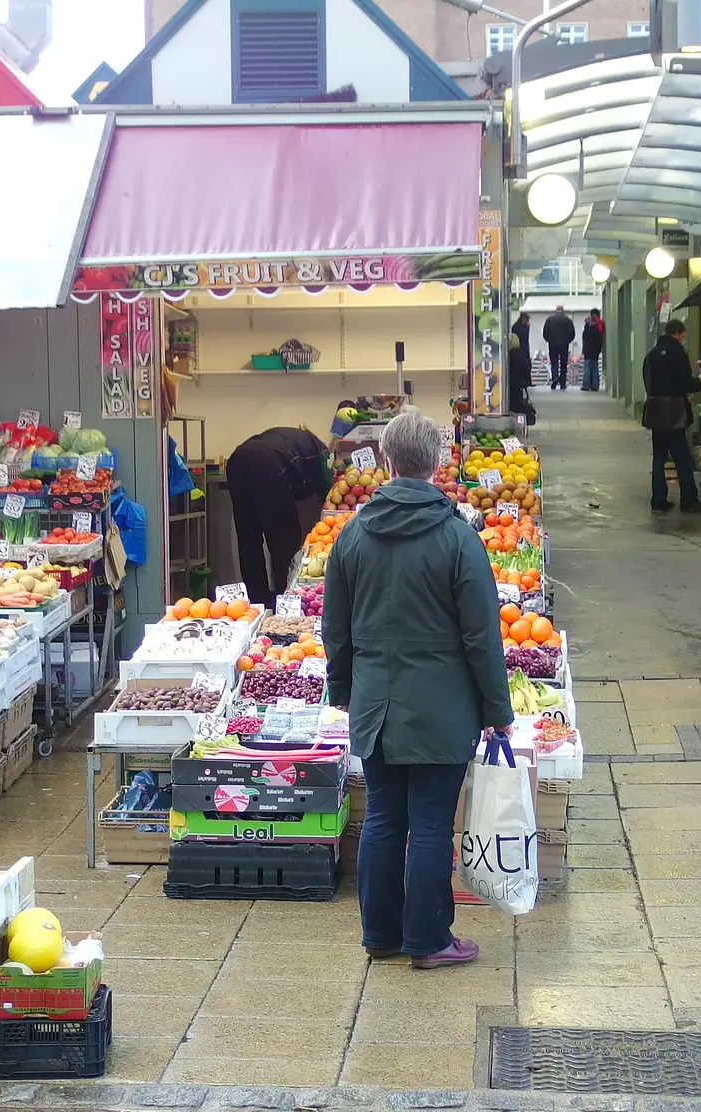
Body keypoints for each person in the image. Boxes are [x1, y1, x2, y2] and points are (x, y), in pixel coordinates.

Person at [323, 409, 515, 970]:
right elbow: (482, 635)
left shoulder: (353, 535)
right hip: (441, 708)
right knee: (431, 823)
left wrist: (343, 691)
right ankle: (429, 939)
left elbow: (336, 627)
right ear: (437, 461)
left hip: (376, 707)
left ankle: (380, 933)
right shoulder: (457, 537)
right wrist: (496, 710)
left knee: (383, 816)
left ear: (385, 461)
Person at [225, 426, 331, 605]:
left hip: (237, 460)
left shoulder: (291, 439)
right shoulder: (320, 452)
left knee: (248, 539)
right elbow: (327, 491)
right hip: (269, 465)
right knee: (284, 542)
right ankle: (286, 601)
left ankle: (257, 602)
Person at [641, 319, 701, 514]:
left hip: (655, 411)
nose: (683, 339)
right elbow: (685, 381)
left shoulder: (652, 354)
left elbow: (647, 380)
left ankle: (658, 499)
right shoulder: (677, 352)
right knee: (682, 457)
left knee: (659, 456)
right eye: (683, 335)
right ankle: (689, 499)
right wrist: (700, 384)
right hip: (674, 411)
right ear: (678, 333)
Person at [542, 306, 576, 390]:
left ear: (556, 311)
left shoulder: (549, 319)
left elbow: (545, 333)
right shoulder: (568, 320)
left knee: (554, 362)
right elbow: (572, 333)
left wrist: (550, 340)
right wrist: (567, 341)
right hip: (564, 345)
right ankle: (563, 382)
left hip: (553, 345)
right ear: (563, 311)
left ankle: (555, 378)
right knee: (563, 364)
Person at [506, 331, 535, 424]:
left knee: (512, 406)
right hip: (519, 384)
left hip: (509, 384)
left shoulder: (507, 357)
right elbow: (527, 368)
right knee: (517, 404)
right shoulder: (522, 353)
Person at [581, 309, 605, 391]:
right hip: (596, 349)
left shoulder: (588, 324)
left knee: (587, 367)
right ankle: (595, 385)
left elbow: (584, 337)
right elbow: (601, 337)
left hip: (588, 349)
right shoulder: (600, 324)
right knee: (594, 368)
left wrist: (583, 349)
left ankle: (586, 385)